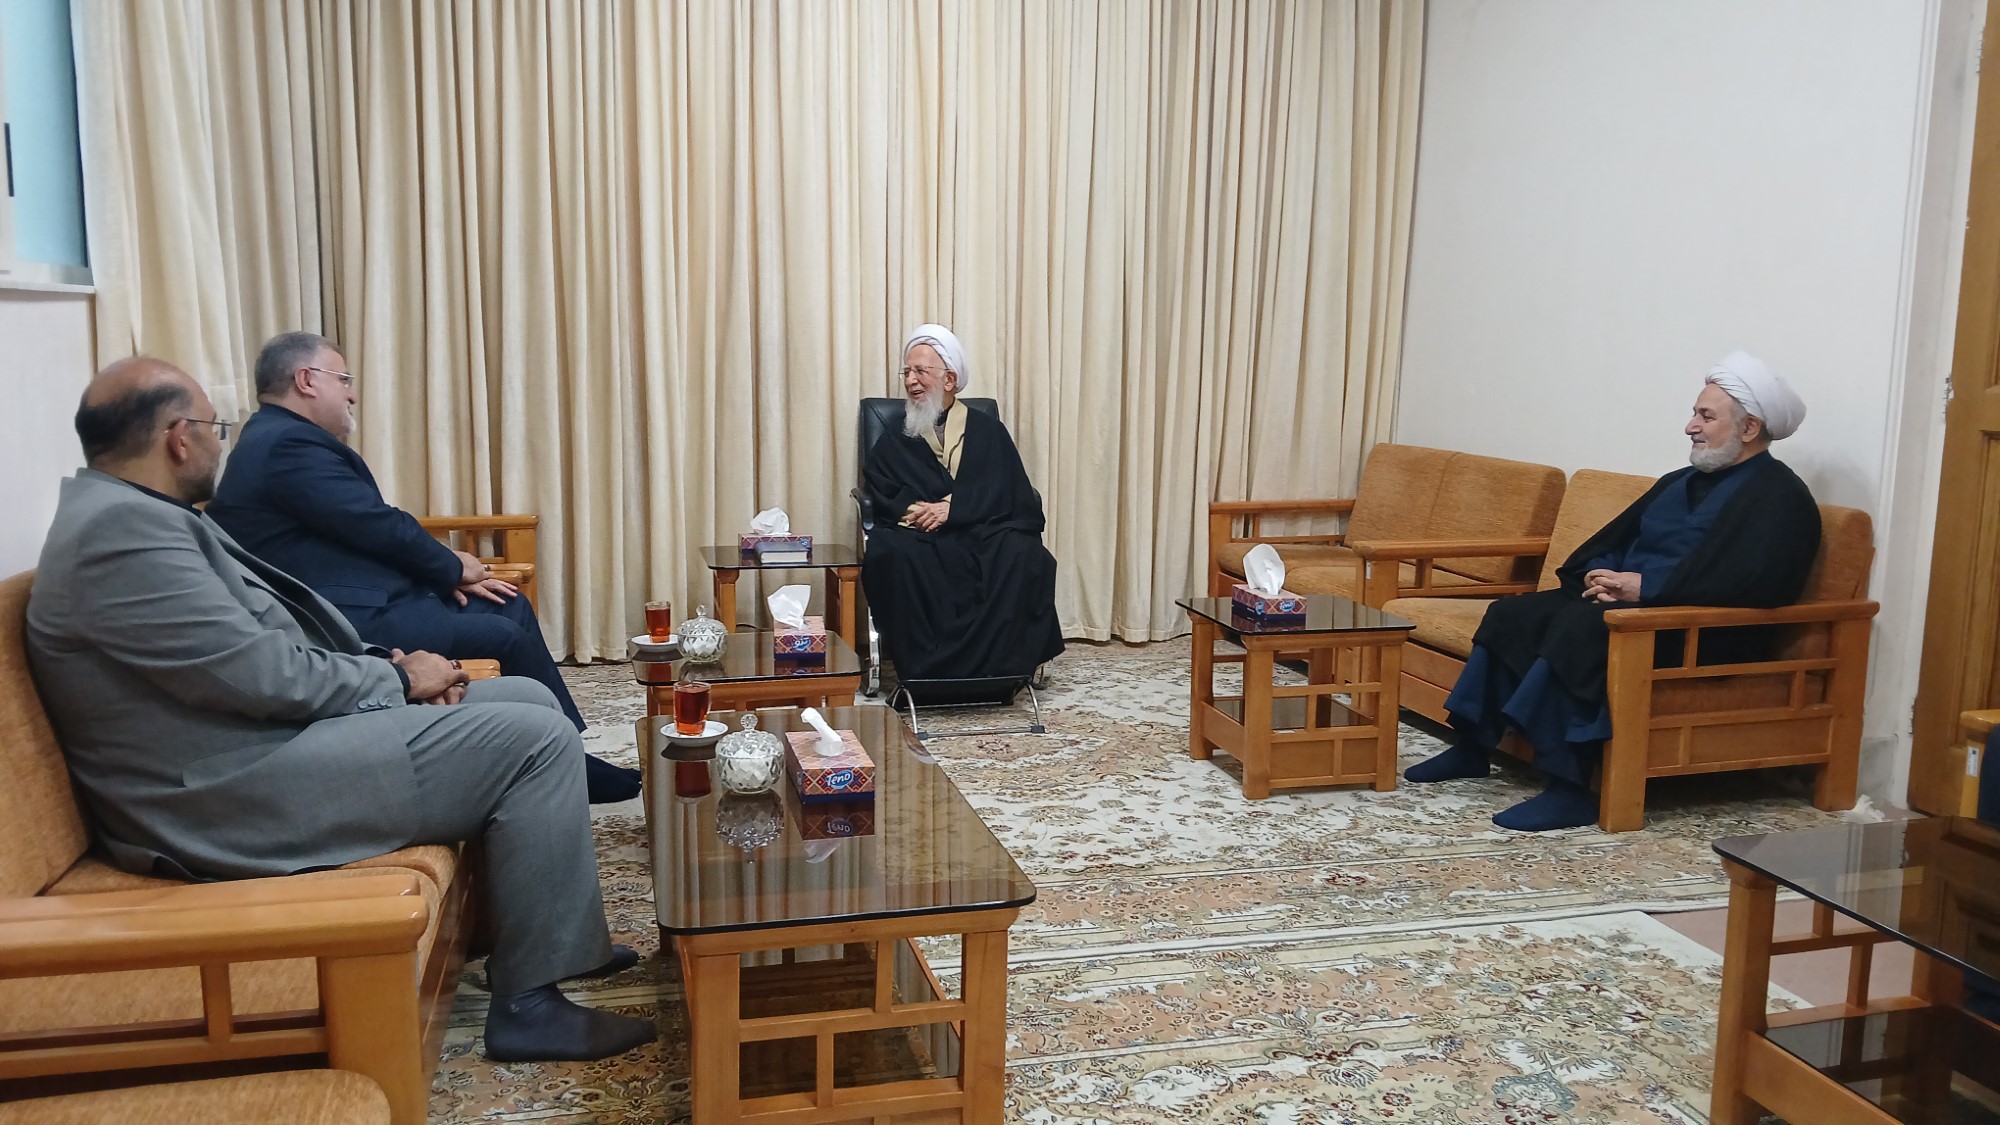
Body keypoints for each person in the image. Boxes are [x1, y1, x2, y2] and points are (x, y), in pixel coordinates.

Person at [26, 357, 654, 1062]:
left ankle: (541, 939)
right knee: (531, 739)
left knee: (528, 697)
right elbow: (260, 676)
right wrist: (398, 681)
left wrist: (389, 664)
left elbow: (253, 653)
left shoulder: (128, 514)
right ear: (178, 437)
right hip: (224, 790)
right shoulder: (123, 537)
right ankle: (529, 1007)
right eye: (213, 427)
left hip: (253, 741)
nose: (219, 443)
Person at [205, 332, 639, 803]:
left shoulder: (278, 438)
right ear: (307, 380)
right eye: (344, 379)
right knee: (502, 634)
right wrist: (451, 566)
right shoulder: (286, 445)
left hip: (363, 597)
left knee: (506, 603)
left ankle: (569, 749)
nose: (352, 394)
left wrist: (442, 576)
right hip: (339, 621)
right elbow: (374, 524)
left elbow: (355, 534)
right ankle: (558, 758)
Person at [1403, 352, 1822, 832]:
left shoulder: (1781, 497)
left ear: (1749, 428)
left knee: (1580, 630)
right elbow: (1613, 541)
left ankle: (1569, 788)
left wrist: (1649, 589)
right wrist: (1597, 573)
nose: (1690, 427)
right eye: (1694, 414)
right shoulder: (1678, 482)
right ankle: (1473, 746)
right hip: (1630, 606)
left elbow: (1759, 582)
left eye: (1706, 417)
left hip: (1699, 631)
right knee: (1513, 614)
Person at [860, 323, 1065, 684]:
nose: (910, 381)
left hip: (980, 527)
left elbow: (1010, 489)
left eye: (920, 371)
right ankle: (925, 673)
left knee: (1023, 552)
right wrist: (921, 511)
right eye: (907, 372)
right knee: (891, 554)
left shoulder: (988, 430)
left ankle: (1002, 670)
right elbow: (881, 486)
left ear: (950, 379)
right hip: (920, 532)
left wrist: (956, 508)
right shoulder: (896, 434)